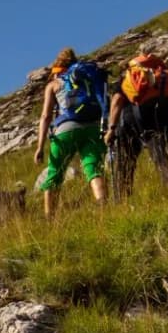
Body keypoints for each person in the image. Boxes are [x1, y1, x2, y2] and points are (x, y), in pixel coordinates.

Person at [33, 48, 109, 219]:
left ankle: (49, 218)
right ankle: (103, 207)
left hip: (66, 130)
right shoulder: (87, 79)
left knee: (55, 173)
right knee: (93, 168)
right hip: (93, 126)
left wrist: (40, 147)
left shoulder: (54, 85)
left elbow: (45, 116)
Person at [107, 54, 168, 196]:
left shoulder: (129, 76)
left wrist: (111, 129)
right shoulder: (166, 76)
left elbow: (117, 100)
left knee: (125, 162)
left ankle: (122, 200)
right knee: (165, 154)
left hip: (135, 119)